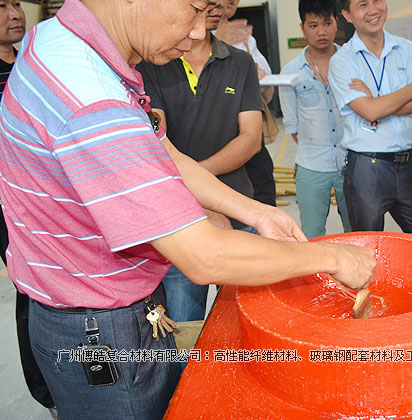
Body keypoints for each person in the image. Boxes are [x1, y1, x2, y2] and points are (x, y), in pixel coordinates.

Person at [0, 0, 376, 419]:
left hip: (93, 305)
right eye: (195, 9)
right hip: (101, 331)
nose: (200, 32)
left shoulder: (63, 39)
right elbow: (204, 255)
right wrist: (334, 257)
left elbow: (165, 154)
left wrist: (256, 212)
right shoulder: (90, 97)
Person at [137, 0, 264, 322]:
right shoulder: (153, 64)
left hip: (239, 207)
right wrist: (195, 189)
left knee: (245, 323)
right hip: (181, 221)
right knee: (184, 327)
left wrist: (196, 178)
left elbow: (250, 139)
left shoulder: (240, 62)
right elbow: (155, 137)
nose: (217, 5)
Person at [328, 0, 412, 235]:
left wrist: (377, 101)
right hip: (367, 169)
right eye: (363, 4)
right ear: (347, 14)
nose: (373, 10)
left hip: (409, 164)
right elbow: (370, 112)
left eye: (377, 0)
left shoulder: (406, 50)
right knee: (369, 248)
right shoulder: (342, 61)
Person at [0, 1, 57, 418]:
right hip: (7, 202)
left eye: (16, 4)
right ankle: (48, 391)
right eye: (1, 7)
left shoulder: (28, 65)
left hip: (41, 197)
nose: (14, 13)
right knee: (30, 294)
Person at [279, 0, 351, 239]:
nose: (321, 31)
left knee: (357, 230)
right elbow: (293, 126)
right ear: (302, 28)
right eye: (313, 25)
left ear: (336, 23)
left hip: (351, 163)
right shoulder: (291, 72)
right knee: (311, 235)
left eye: (327, 23)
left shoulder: (352, 62)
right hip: (311, 166)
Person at [215, 0, 276, 207]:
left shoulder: (245, 38)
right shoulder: (184, 40)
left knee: (265, 207)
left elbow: (268, 94)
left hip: (253, 149)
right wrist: (218, 40)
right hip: (214, 148)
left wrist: (260, 83)